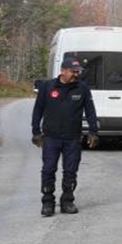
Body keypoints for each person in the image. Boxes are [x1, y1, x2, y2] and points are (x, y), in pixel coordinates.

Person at [32, 57, 99, 217]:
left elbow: (90, 111)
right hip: (51, 137)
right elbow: (38, 110)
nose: (76, 74)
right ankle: (48, 202)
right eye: (73, 71)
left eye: (78, 72)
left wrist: (93, 131)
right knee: (48, 170)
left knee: (70, 171)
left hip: (72, 138)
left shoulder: (82, 88)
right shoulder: (48, 87)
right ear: (63, 71)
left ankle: (67, 201)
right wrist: (35, 132)